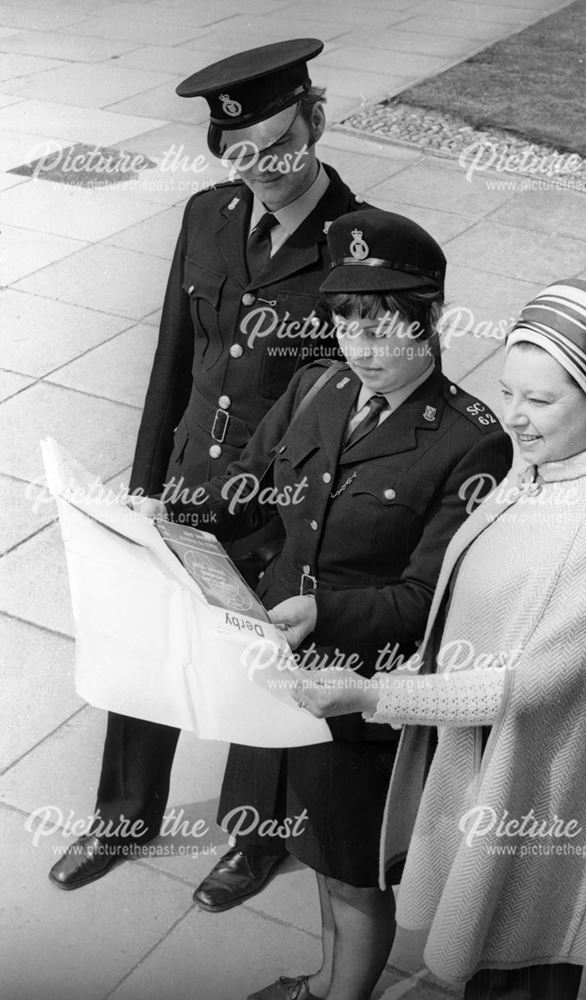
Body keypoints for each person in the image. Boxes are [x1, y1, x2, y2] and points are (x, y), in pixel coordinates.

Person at [148, 209, 513, 1000]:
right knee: (313, 849)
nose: (364, 350)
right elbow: (251, 485)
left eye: (385, 329)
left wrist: (328, 616)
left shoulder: (471, 441)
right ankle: (323, 982)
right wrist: (172, 512)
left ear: (432, 318)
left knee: (354, 871)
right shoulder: (319, 383)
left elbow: (426, 600)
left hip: (360, 694)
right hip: (280, 664)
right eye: (348, 325)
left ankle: (342, 997)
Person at [49, 38, 375, 895]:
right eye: (240, 155)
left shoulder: (357, 246)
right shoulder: (207, 215)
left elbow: (355, 404)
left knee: (263, 672)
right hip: (188, 484)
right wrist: (147, 482)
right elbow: (172, 356)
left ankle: (255, 839)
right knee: (146, 642)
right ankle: (124, 814)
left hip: (279, 508)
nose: (261, 169)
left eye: (278, 147)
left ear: (318, 116)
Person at [296, 278, 586, 1000]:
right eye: (509, 392)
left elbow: (523, 685)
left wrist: (374, 692)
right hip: (495, 764)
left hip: (539, 799)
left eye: (539, 401)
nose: (514, 419)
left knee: (518, 970)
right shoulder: (542, 465)